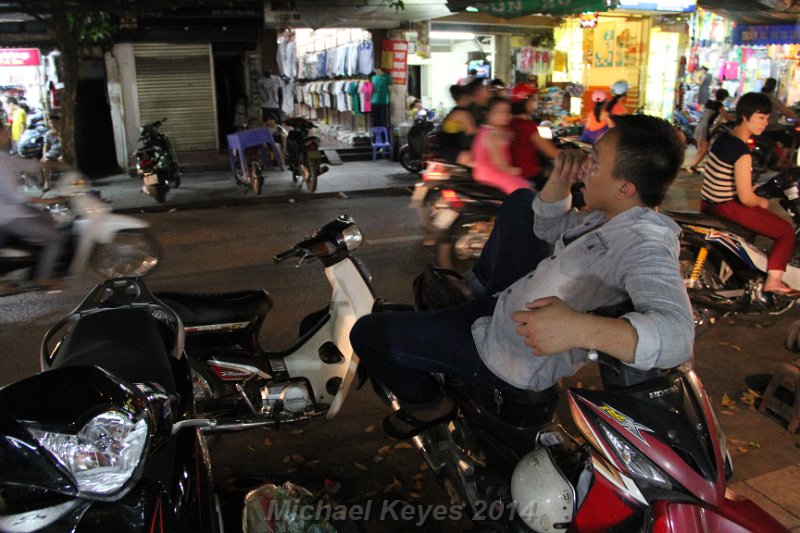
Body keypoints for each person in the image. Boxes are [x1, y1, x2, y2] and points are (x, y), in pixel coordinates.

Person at [350, 114, 693, 438]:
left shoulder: (643, 245)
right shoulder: (611, 216)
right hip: (507, 302)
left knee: (367, 333)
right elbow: (544, 226)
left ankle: (430, 406)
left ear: (625, 188)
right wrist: (560, 176)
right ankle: (476, 295)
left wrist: (579, 328)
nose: (586, 165)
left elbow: (677, 335)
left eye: (597, 161)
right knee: (521, 201)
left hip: (507, 352)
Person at [700, 92, 798, 295]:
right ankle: (774, 280)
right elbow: (746, 198)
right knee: (785, 231)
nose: (765, 123)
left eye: (767, 118)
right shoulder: (741, 151)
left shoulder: (723, 139)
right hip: (727, 207)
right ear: (745, 116)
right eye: (761, 117)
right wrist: (761, 201)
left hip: (708, 203)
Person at [0, 156, 66, 290]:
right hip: (9, 216)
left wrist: (48, 164)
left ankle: (38, 255)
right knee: (54, 238)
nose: (7, 137)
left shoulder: (3, 157)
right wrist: (46, 201)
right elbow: (13, 196)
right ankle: (43, 278)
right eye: (5, 134)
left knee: (47, 217)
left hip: (14, 211)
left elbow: (20, 164)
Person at [471, 97, 530, 195]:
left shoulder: (484, 130)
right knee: (525, 191)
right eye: (499, 111)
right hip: (493, 175)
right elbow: (499, 163)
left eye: (507, 111)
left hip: (482, 174)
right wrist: (513, 170)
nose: (505, 115)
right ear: (488, 114)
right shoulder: (494, 134)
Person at [508, 83, 559, 190]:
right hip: (528, 174)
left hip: (516, 172)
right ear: (524, 102)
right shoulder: (527, 126)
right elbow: (551, 152)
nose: (535, 103)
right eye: (533, 100)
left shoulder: (510, 122)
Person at [685, 88, 730, 174]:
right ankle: (692, 166)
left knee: (699, 149)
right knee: (704, 150)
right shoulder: (719, 105)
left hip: (699, 126)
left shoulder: (709, 102)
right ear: (724, 97)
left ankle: (692, 166)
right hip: (706, 128)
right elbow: (725, 116)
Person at [760, 77, 799, 168]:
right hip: (769, 128)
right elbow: (786, 112)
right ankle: (779, 163)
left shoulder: (758, 97)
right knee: (788, 140)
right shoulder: (772, 99)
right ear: (774, 87)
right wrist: (796, 117)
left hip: (759, 128)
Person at [436, 84, 478, 166]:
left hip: (451, 149)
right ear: (464, 97)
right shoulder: (461, 113)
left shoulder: (456, 111)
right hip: (453, 150)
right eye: (470, 96)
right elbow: (471, 131)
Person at [40, 114, 66, 190]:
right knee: (46, 161)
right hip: (53, 152)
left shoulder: (64, 131)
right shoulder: (48, 134)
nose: (53, 124)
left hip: (63, 151)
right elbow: (45, 146)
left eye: (54, 122)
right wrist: (44, 155)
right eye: (51, 123)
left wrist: (58, 135)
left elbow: (66, 144)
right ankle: (47, 182)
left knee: (63, 160)